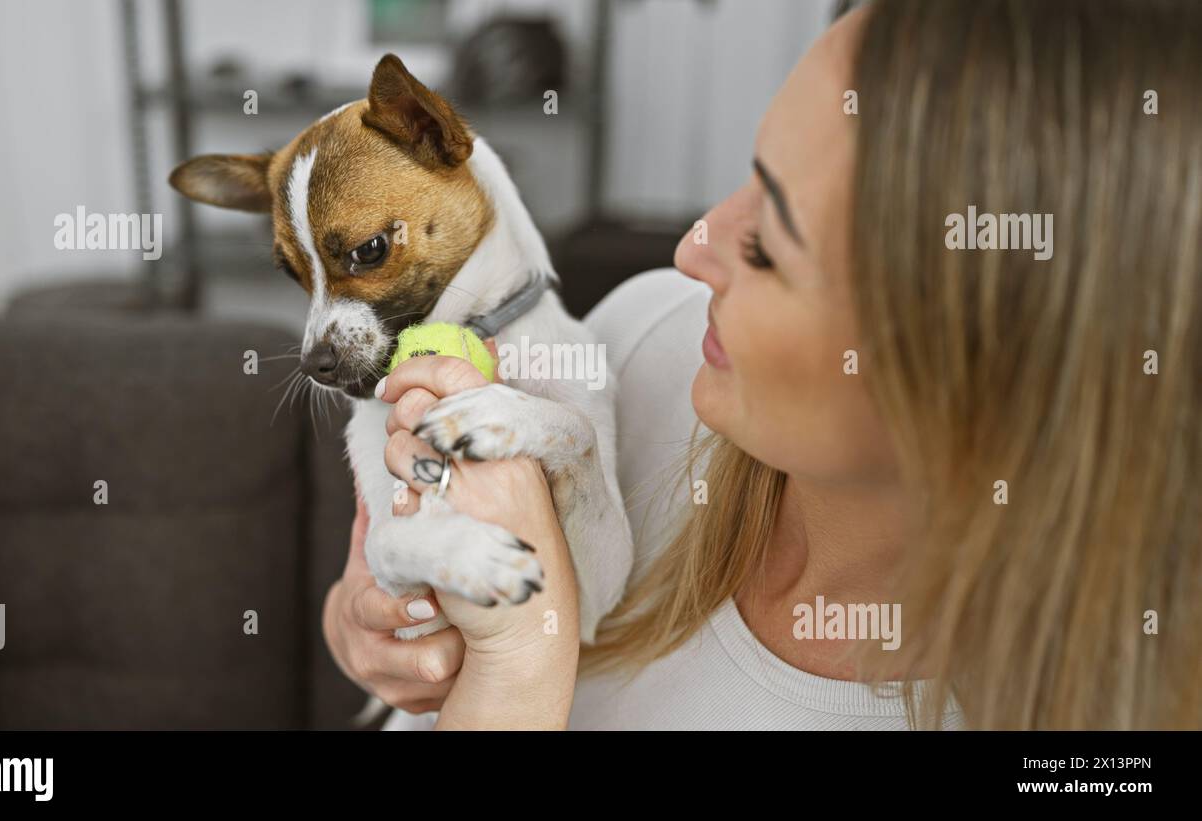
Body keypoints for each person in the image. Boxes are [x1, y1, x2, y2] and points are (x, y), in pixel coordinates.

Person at [323, 0, 1202, 730]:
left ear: (976, 371)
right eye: (751, 170)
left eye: (773, 244)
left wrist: (519, 670)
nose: (692, 245)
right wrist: (377, 619)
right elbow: (394, 622)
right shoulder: (645, 343)